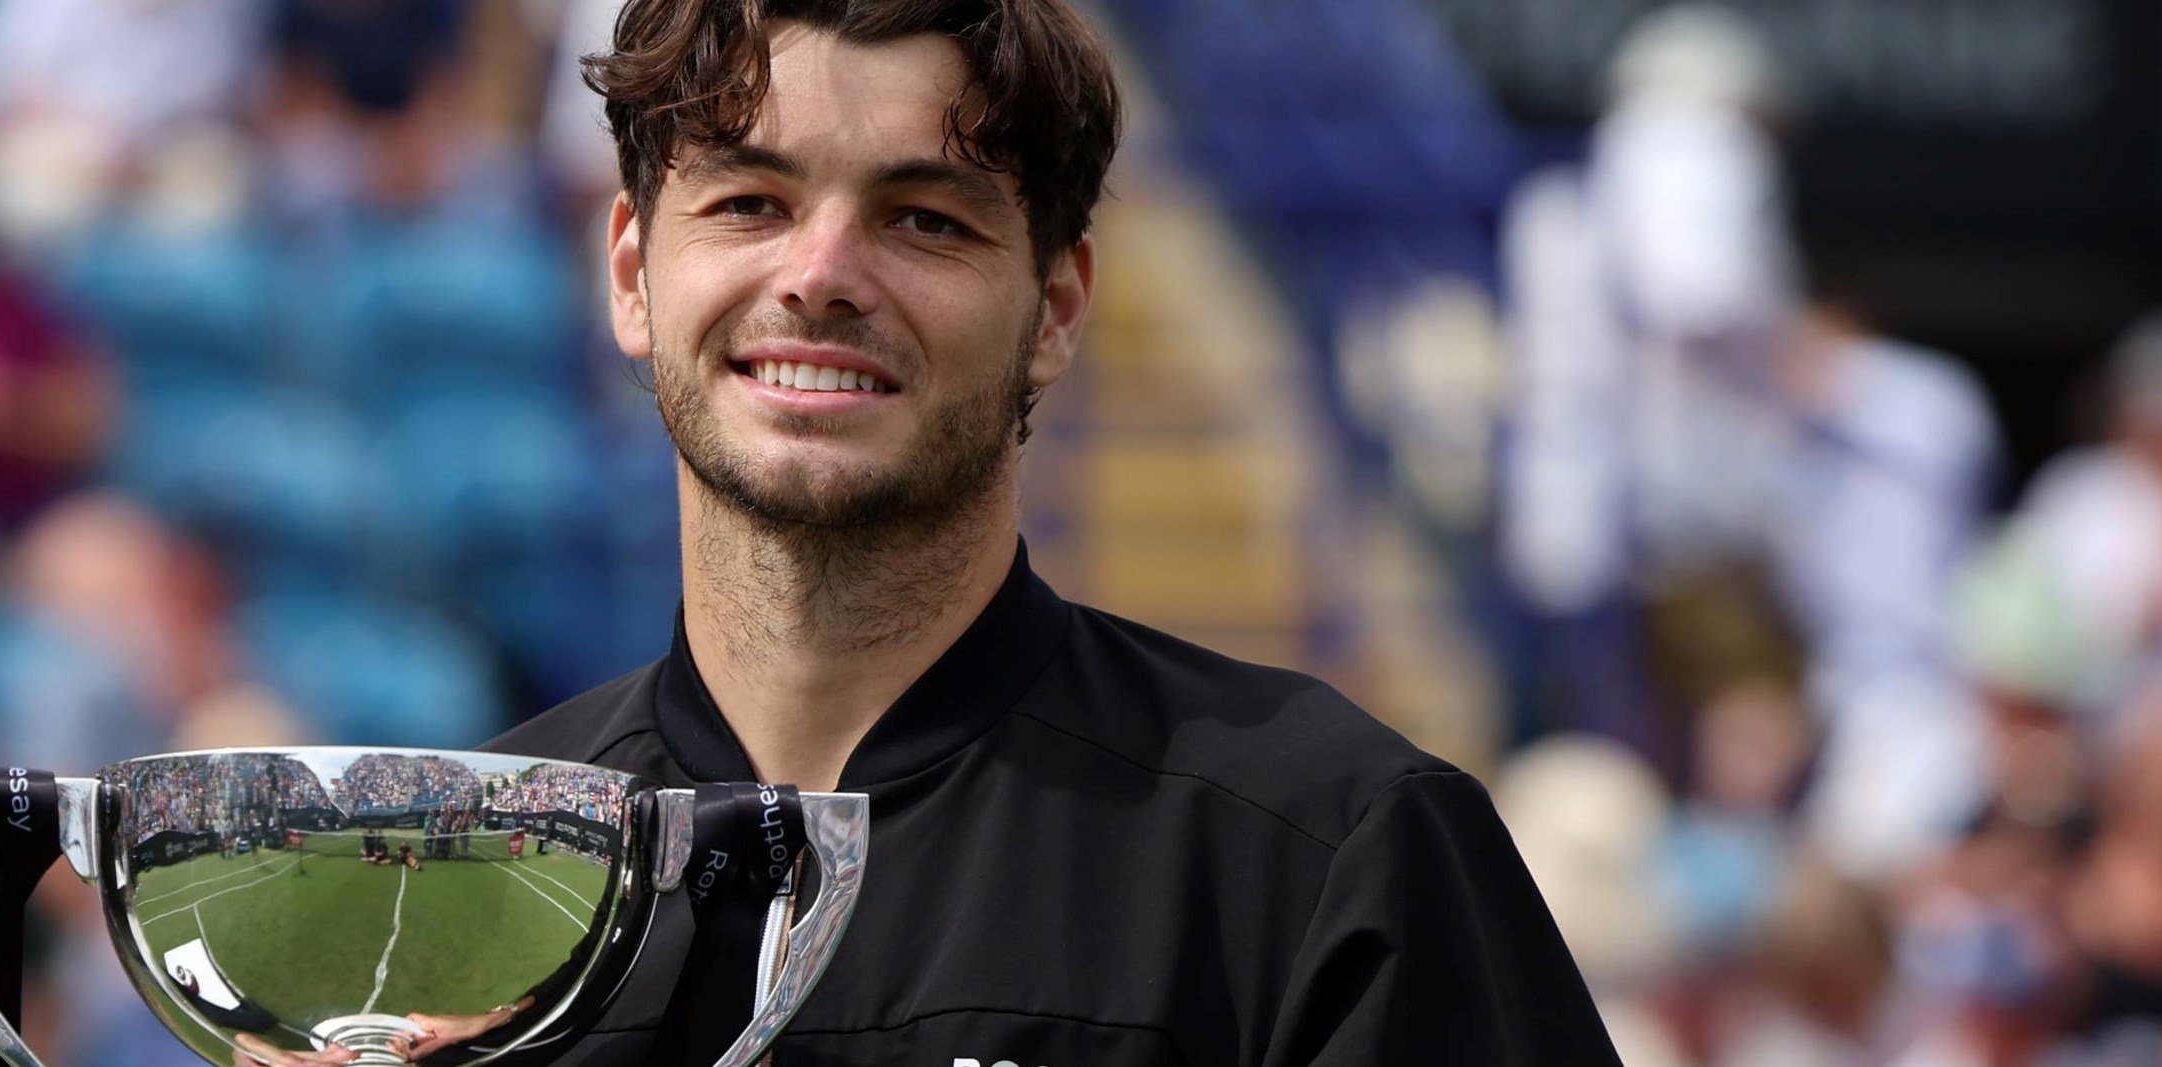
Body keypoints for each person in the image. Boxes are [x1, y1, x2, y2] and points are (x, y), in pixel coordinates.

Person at [462, 0, 1616, 1062]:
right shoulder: (467, 863)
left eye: (922, 218)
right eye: (749, 203)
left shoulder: (1327, 855)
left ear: (1055, 309)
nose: (819, 275)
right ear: (629, 272)